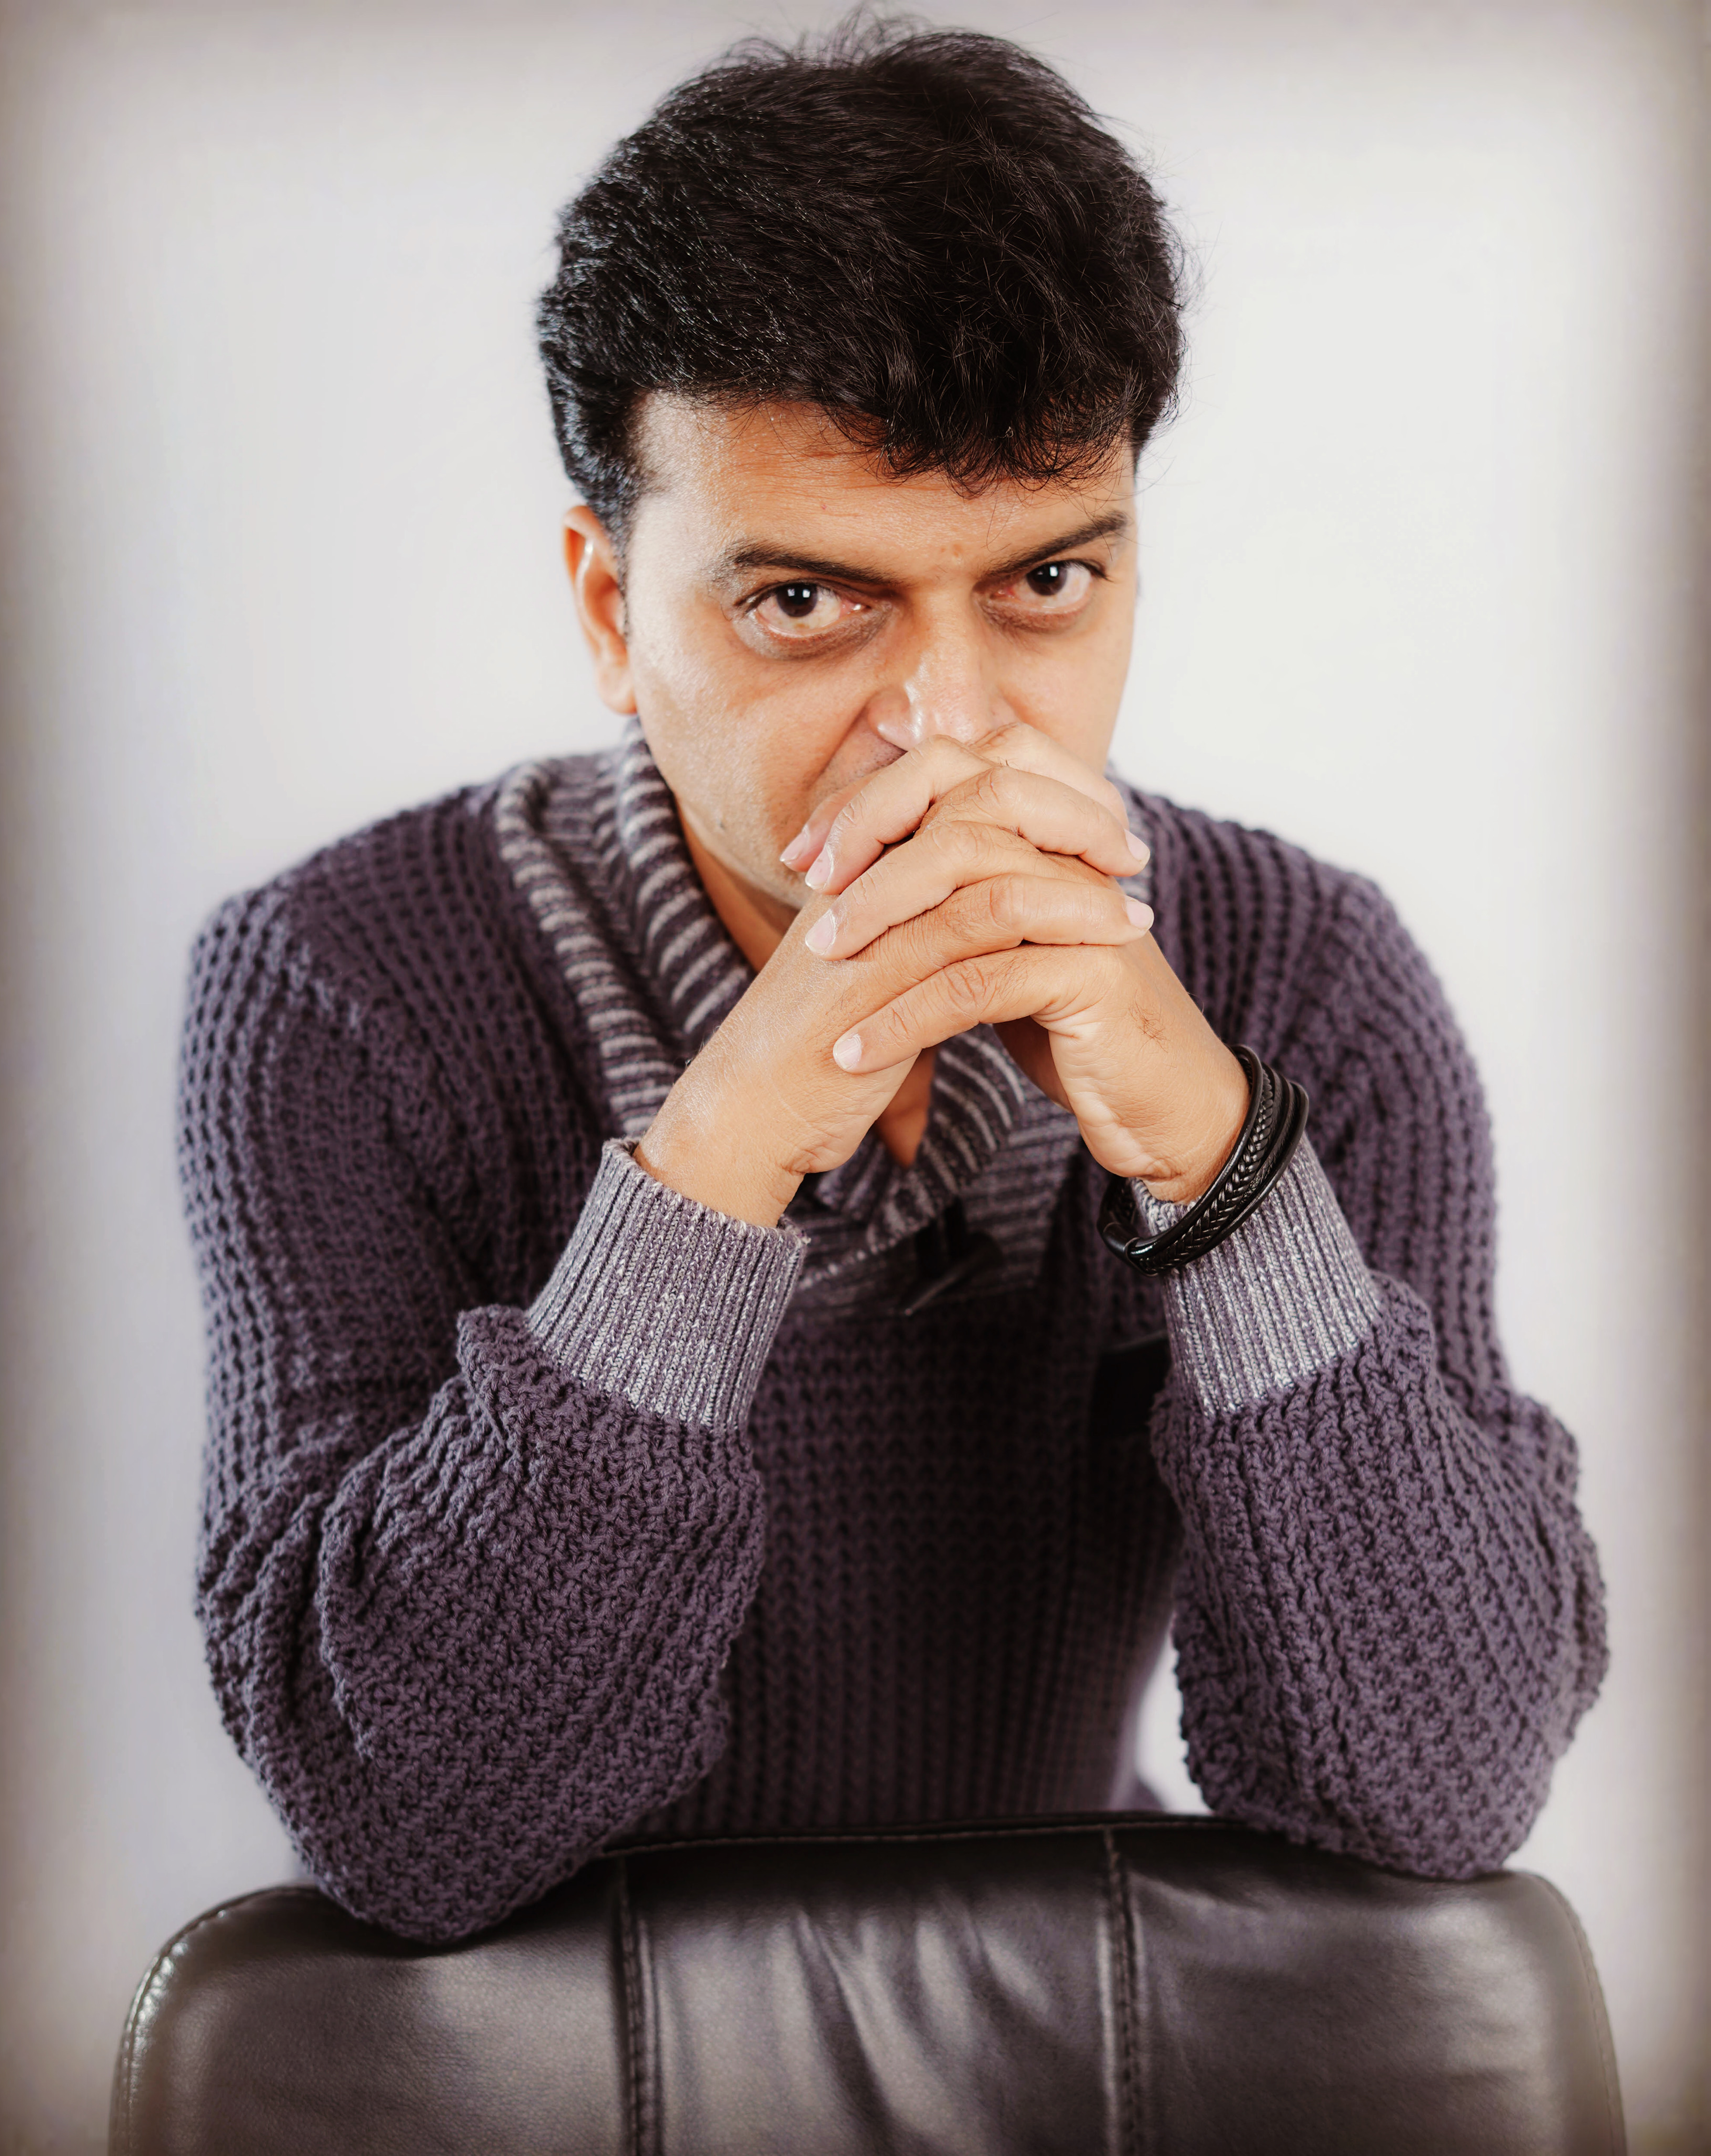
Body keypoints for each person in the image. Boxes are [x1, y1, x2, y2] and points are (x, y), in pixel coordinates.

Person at [178, 17, 1606, 1946]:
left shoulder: (1302, 974)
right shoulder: (341, 982)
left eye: (1043, 586)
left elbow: (1438, 1790)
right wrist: (722, 1155)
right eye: (802, 602)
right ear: (610, 608)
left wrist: (1219, 1169)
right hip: (554, 2068)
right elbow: (403, 1820)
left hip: (1080, 2038)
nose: (944, 725)